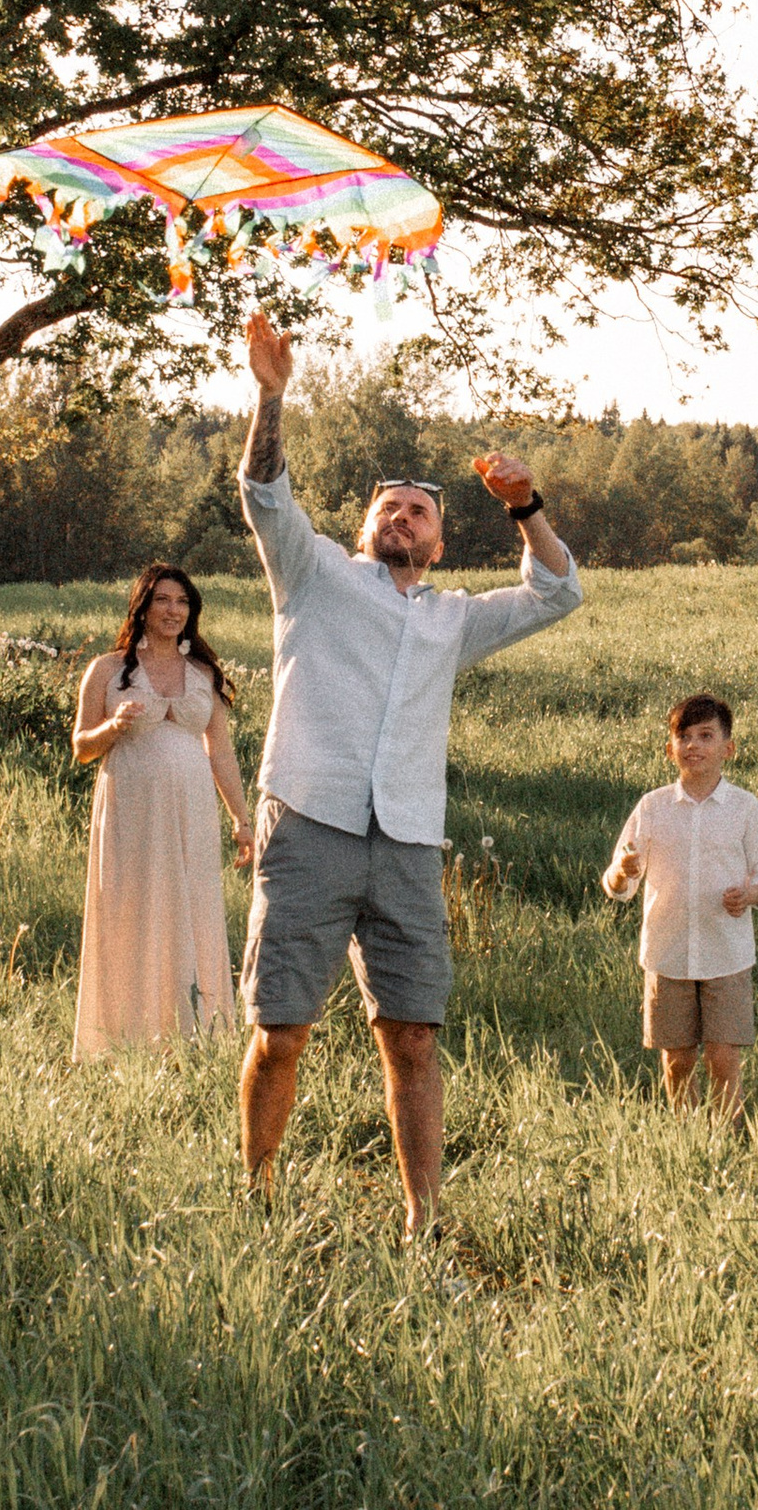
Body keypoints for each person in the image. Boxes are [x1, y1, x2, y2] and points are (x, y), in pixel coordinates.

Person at [234, 310, 584, 1239]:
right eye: (389, 506)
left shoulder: (453, 618)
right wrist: (271, 397)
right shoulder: (312, 577)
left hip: (406, 846)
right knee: (281, 1031)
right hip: (309, 823)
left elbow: (561, 590)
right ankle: (258, 1196)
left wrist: (525, 505)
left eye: (420, 511)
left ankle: (422, 1220)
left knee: (414, 1036)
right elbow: (265, 494)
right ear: (365, 528)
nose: (402, 516)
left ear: (438, 542)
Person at [71, 564, 255, 1061]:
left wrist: (242, 821)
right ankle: (123, 1038)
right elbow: (82, 748)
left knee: (190, 908)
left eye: (183, 602)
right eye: (163, 600)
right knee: (132, 907)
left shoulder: (202, 675)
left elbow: (221, 752)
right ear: (143, 606)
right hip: (130, 807)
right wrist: (112, 727)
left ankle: (191, 1035)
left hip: (192, 810)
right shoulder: (107, 669)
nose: (174, 610)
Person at [601, 691, 758, 1121]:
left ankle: (730, 1137)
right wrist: (623, 872)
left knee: (722, 1058)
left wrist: (752, 894)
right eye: (684, 736)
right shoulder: (652, 807)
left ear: (728, 748)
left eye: (706, 735)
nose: (694, 745)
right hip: (667, 954)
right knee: (677, 1060)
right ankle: (687, 1136)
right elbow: (617, 881)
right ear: (670, 749)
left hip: (727, 954)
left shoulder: (744, 808)